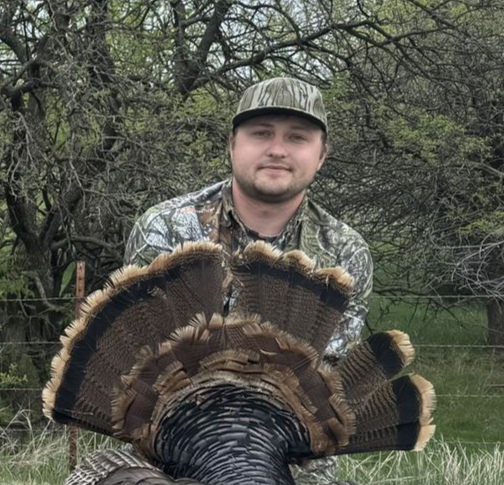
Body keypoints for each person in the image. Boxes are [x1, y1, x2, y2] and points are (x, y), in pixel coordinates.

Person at [126, 77, 371, 358]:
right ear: (232, 145)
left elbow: (328, 374)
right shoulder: (165, 227)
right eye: (261, 133)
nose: (277, 150)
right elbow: (141, 361)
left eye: (297, 137)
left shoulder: (345, 252)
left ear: (321, 156)